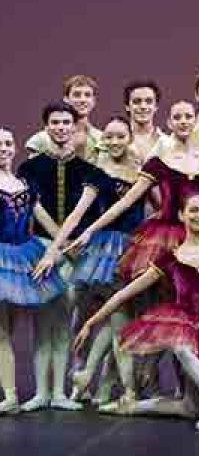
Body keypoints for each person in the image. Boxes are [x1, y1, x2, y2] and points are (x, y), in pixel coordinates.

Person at [73, 194, 199, 430]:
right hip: (183, 323)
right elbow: (126, 293)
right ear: (182, 215)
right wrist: (91, 322)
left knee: (181, 350)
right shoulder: (171, 257)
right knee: (190, 407)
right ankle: (131, 408)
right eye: (194, 210)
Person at [66, 101, 199, 283]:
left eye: (188, 116)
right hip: (162, 238)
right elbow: (126, 201)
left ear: (195, 121)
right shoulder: (159, 161)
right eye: (177, 117)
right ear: (169, 123)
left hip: (198, 233)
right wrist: (89, 231)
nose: (183, 121)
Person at [41, 117, 144, 407]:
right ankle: (88, 377)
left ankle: (102, 382)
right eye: (109, 137)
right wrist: (55, 250)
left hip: (133, 246)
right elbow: (76, 214)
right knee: (95, 314)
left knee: (118, 318)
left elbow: (162, 204)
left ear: (129, 138)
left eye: (120, 136)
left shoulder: (142, 171)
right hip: (102, 248)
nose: (114, 142)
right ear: (102, 141)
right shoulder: (97, 173)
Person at [18, 102, 103, 411]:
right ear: (46, 126)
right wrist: (58, 241)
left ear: (75, 128)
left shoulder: (89, 170)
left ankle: (60, 393)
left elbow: (92, 215)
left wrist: (71, 244)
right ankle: (41, 392)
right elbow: (34, 207)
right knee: (43, 321)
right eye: (55, 122)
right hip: (42, 247)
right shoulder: (29, 168)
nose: (61, 127)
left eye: (67, 122)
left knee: (64, 319)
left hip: (74, 253)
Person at [0, 127, 69, 413]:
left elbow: (45, 221)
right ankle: (12, 395)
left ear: (14, 148)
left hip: (24, 257)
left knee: (15, 329)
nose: (3, 148)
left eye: (7, 143)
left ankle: (13, 391)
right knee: (1, 330)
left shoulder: (25, 184)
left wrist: (64, 245)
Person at [26, 75, 104, 163]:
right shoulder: (43, 139)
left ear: (93, 101)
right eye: (77, 95)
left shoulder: (101, 139)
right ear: (66, 99)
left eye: (87, 95)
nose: (83, 100)